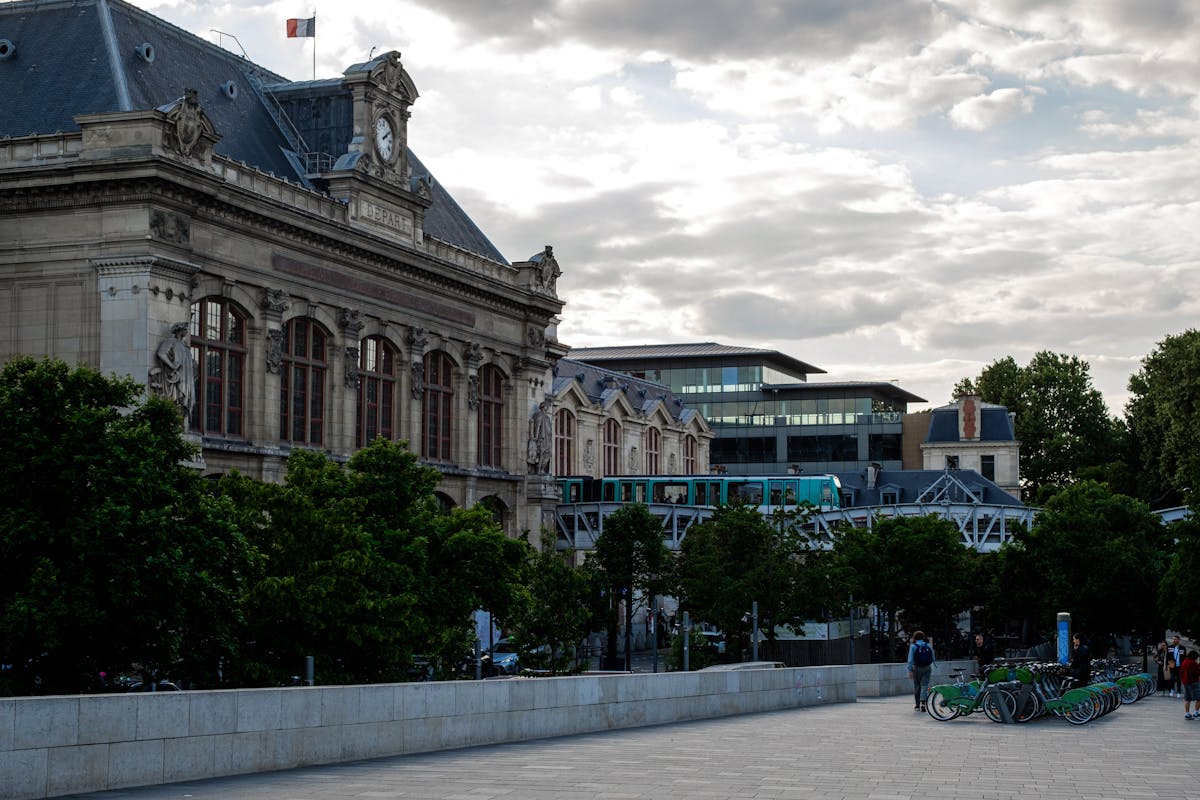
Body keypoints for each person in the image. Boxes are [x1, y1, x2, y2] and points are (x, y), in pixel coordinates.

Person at [906, 630, 936, 712]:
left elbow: (910, 659)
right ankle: (923, 703)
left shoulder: (913, 646)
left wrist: (910, 670)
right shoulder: (928, 645)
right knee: (924, 685)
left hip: (917, 668)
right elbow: (933, 657)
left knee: (917, 686)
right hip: (927, 667)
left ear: (914, 638)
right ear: (923, 637)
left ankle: (917, 705)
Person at [1181, 650, 1200, 719]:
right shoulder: (1193, 663)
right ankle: (1196, 713)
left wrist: (1183, 680)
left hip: (1185, 683)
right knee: (1199, 698)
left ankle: (1187, 714)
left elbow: (1181, 672)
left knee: (1187, 699)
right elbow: (1197, 673)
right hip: (1194, 682)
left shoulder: (1184, 662)